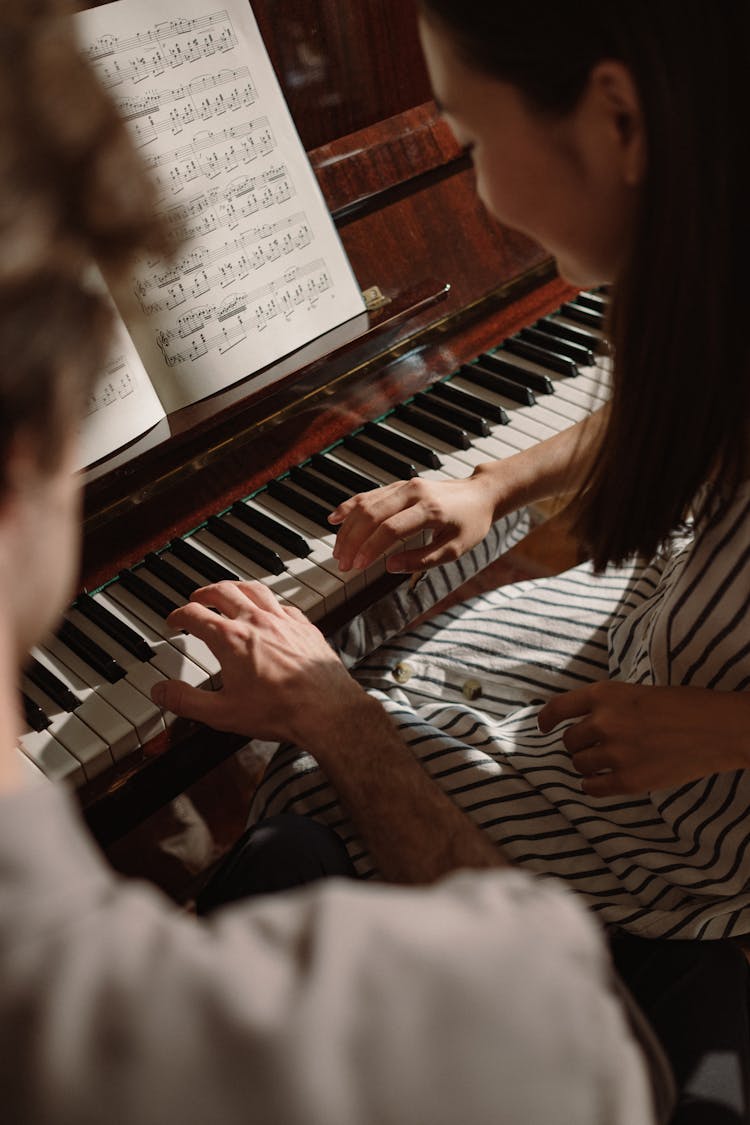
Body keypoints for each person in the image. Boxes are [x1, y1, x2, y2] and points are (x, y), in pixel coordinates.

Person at [0, 2, 678, 1124]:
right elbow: (608, 1064)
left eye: (465, 134)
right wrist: (496, 484)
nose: (479, 189)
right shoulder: (504, 1019)